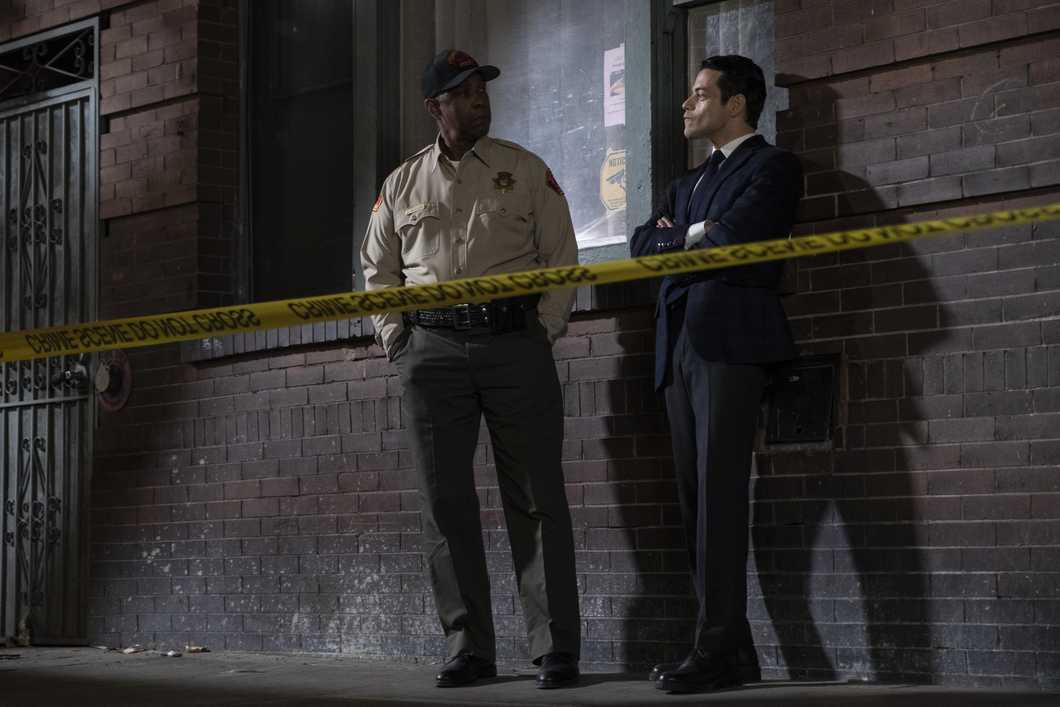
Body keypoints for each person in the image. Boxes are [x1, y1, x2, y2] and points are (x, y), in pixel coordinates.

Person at [360, 49, 581, 689]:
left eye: (483, 87)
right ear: (436, 107)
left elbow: (561, 257)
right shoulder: (401, 184)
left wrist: (544, 328)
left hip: (516, 344)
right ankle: (469, 648)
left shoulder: (525, 169)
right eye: (464, 91)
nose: (479, 98)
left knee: (538, 497)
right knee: (444, 503)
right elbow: (378, 272)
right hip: (431, 355)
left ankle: (555, 648)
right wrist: (397, 340)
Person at [630, 54, 803, 694]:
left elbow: (735, 239)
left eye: (700, 94)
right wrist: (693, 234)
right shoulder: (686, 184)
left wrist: (697, 237)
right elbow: (642, 244)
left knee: (721, 497)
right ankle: (729, 647)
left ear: (736, 104)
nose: (686, 104)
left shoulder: (773, 167)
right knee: (693, 499)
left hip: (730, 345)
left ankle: (715, 647)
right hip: (677, 347)